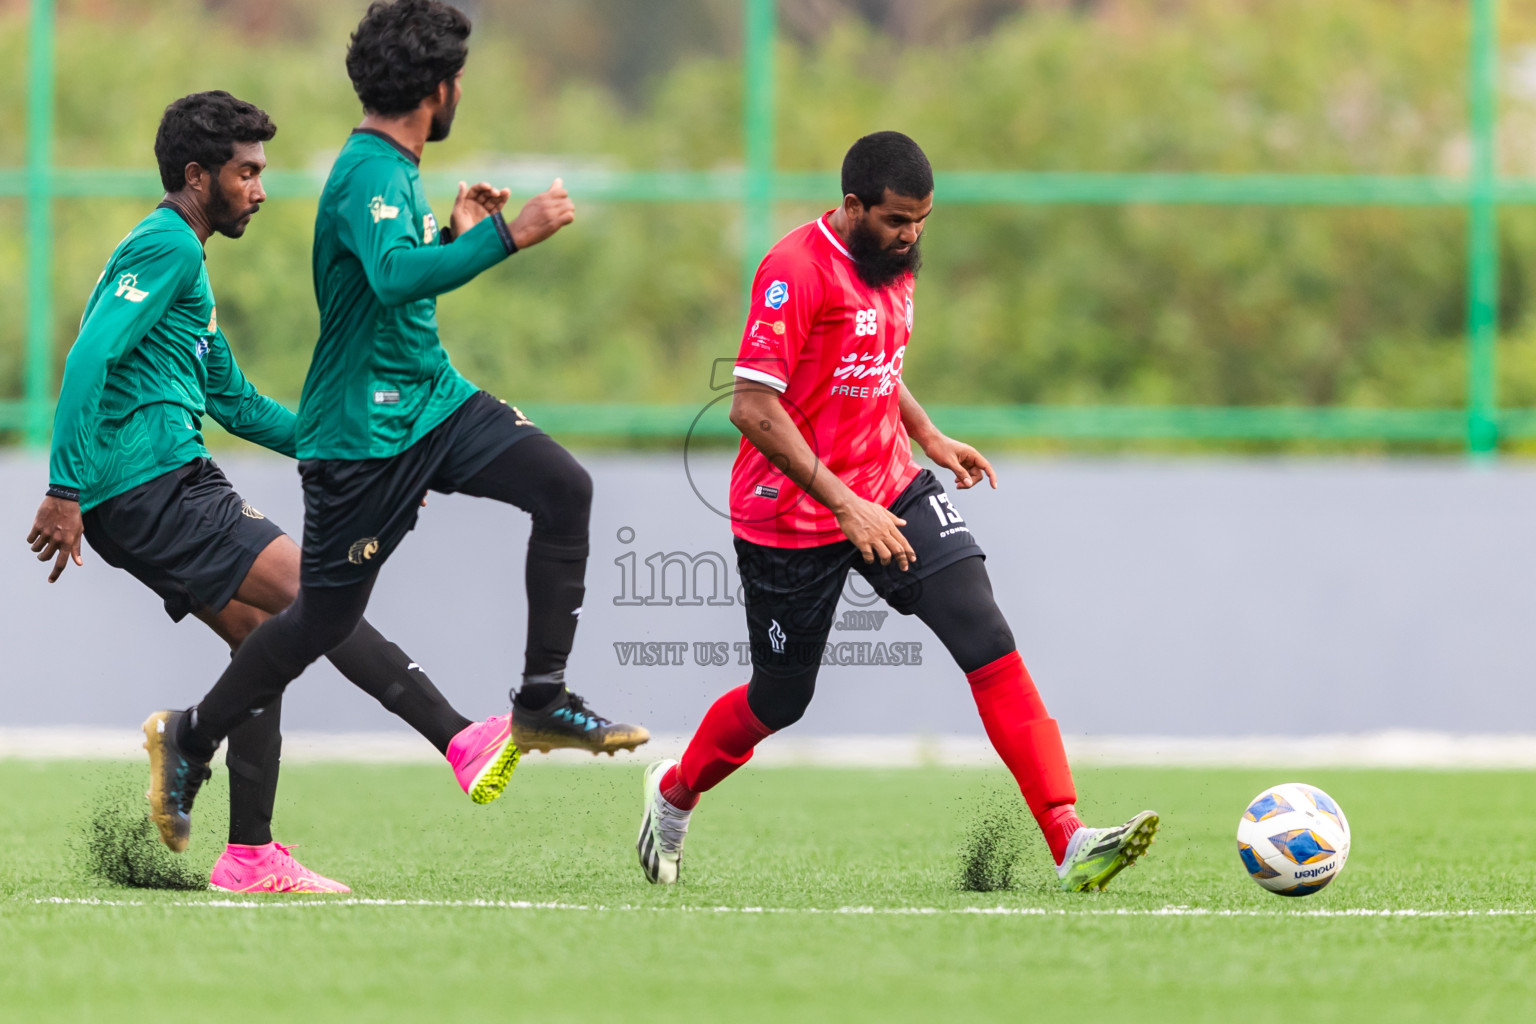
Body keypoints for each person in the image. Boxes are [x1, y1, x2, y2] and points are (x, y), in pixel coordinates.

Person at [137, 0, 648, 848]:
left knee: (564, 487)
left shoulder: (395, 169)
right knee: (319, 621)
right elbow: (392, 278)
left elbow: (400, 272)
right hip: (363, 438)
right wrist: (507, 239)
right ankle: (189, 736)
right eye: (459, 84)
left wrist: (454, 231)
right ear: (440, 90)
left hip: (432, 403)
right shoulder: (368, 170)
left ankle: (541, 699)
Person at [636, 131, 1158, 891]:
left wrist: (928, 434)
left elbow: (872, 362)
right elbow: (752, 408)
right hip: (793, 515)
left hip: (888, 486)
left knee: (986, 632)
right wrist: (846, 506)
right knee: (781, 698)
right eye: (897, 220)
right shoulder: (793, 271)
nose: (912, 236)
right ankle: (674, 793)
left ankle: (1068, 837)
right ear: (853, 207)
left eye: (923, 221)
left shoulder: (894, 265)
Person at [27, 90, 514, 891]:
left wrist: (356, 457)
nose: (260, 187)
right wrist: (62, 489)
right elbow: (88, 358)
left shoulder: (185, 263)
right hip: (152, 483)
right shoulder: (167, 247)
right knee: (314, 592)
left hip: (154, 486)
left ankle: (250, 853)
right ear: (197, 175)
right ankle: (459, 737)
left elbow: (237, 401)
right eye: (246, 172)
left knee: (262, 641)